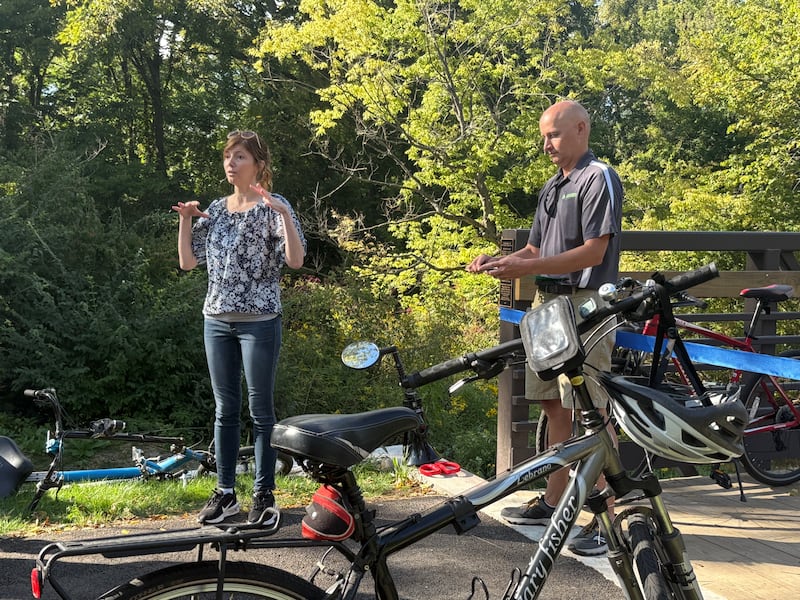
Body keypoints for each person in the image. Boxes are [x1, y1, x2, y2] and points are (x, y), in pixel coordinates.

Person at [467, 100, 623, 556]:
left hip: (585, 303)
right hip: (547, 304)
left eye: (553, 134)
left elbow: (594, 252)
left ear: (581, 129)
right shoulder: (552, 186)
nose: (546, 145)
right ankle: (554, 501)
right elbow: (534, 249)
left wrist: (529, 267)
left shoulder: (598, 177)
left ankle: (613, 518)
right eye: (543, 136)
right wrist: (502, 262)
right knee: (553, 404)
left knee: (592, 409)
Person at [172, 129, 306, 526]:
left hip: (259, 322)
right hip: (216, 321)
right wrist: (185, 220)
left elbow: (295, 261)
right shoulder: (216, 208)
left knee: (260, 411)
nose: (231, 163)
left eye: (240, 156)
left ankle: (264, 495)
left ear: (259, 165)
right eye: (228, 156)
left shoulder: (274, 207)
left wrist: (284, 216)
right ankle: (225, 493)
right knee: (225, 410)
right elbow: (187, 263)